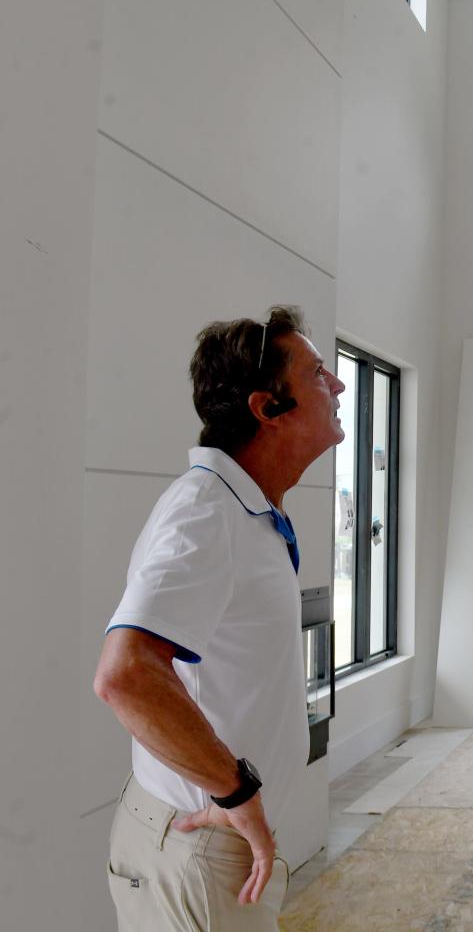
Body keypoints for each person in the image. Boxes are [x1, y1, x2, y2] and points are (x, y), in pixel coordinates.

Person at [94, 306, 346, 930]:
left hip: (215, 842)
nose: (337, 386)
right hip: (199, 846)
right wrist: (238, 793)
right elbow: (125, 674)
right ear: (267, 408)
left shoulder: (245, 509)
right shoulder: (207, 512)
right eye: (318, 374)